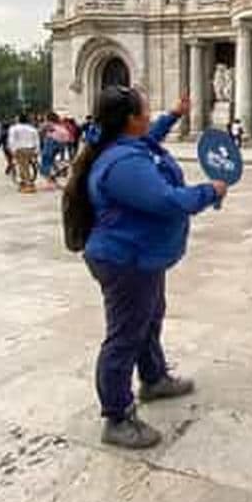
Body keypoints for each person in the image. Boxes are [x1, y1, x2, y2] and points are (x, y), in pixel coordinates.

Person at [68, 86, 227, 449]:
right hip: (125, 259)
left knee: (150, 317)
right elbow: (166, 201)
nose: (149, 115)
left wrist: (173, 115)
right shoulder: (124, 164)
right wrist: (210, 192)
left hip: (141, 256)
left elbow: (150, 140)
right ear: (130, 119)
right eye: (146, 109)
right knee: (124, 336)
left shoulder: (127, 146)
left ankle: (154, 378)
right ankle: (117, 416)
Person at [7, 113, 40, 193]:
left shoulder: (14, 128)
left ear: (18, 119)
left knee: (23, 167)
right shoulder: (32, 128)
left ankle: (28, 184)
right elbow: (37, 140)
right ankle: (25, 183)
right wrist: (37, 151)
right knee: (25, 166)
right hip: (31, 149)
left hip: (20, 149)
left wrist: (12, 150)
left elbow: (11, 140)